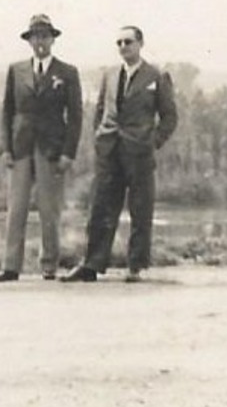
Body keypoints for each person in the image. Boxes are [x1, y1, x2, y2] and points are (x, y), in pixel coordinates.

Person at [64, 25, 179, 283]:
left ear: (140, 44)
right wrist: (99, 136)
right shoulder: (110, 75)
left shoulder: (156, 76)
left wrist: (153, 141)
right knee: (100, 207)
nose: (123, 47)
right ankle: (92, 264)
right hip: (109, 150)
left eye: (128, 42)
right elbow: (101, 109)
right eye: (119, 43)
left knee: (140, 208)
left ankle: (135, 266)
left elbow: (170, 117)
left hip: (139, 151)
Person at [0, 14, 83, 281]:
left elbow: (75, 116)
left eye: (45, 36)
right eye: (36, 36)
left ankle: (49, 265)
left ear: (52, 39)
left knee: (49, 209)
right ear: (29, 40)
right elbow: (7, 111)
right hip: (21, 146)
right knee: (16, 207)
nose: (40, 41)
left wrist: (68, 152)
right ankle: (10, 266)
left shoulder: (67, 72)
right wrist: (5, 148)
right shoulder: (16, 70)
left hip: (51, 148)